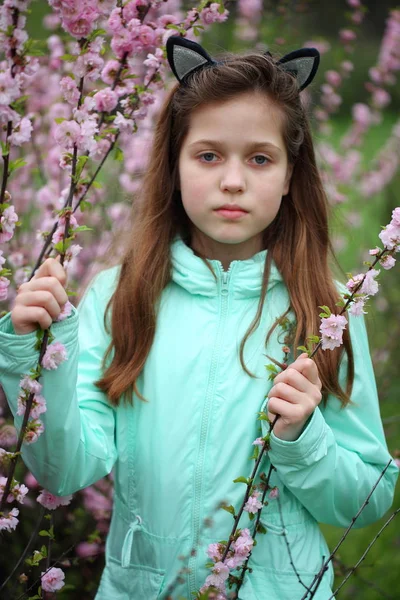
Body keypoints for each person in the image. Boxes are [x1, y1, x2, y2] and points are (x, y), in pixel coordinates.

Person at [0, 35, 398, 600]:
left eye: (260, 158)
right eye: (208, 155)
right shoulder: (122, 295)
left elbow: (369, 499)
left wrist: (303, 440)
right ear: (174, 166)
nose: (232, 180)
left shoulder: (327, 307)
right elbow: (66, 472)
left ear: (289, 175)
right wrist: (33, 360)